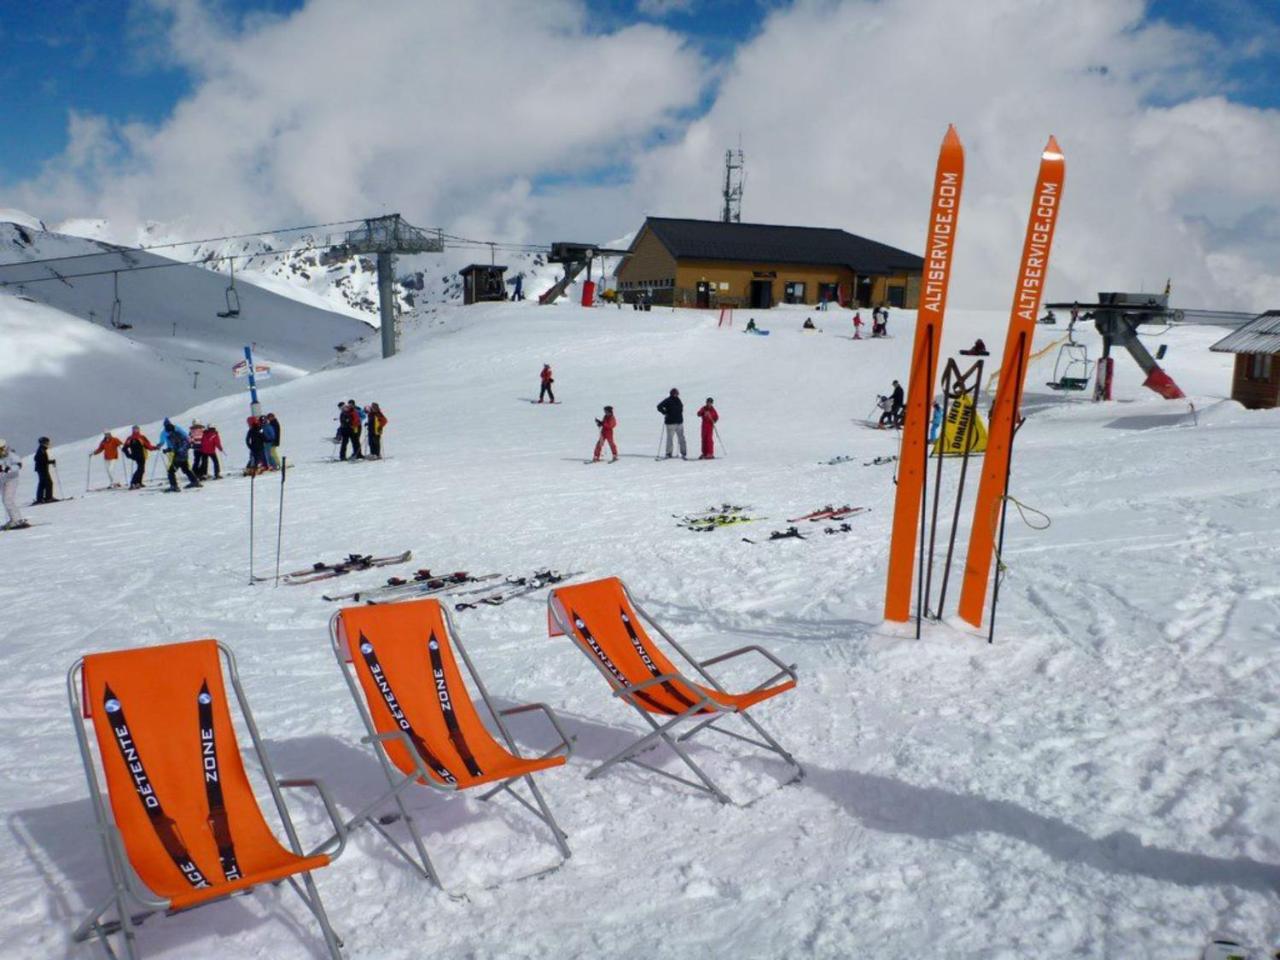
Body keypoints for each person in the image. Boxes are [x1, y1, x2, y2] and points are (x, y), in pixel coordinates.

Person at [159, 418, 201, 491]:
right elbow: (185, 443)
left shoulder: (172, 436)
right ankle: (195, 481)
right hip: (184, 455)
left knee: (171, 471)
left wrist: (168, 449)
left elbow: (176, 446)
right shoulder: (178, 433)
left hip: (178, 456)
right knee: (186, 468)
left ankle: (174, 486)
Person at [0, 439, 26, 529]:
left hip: (12, 479)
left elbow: (19, 465)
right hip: (2, 481)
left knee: (8, 500)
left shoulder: (11, 455)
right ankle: (14, 519)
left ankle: (17, 520)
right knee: (5, 501)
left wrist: (9, 468)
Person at [657, 388, 687, 459]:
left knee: (682, 438)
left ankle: (683, 452)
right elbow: (659, 406)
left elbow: (681, 408)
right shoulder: (668, 400)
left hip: (679, 422)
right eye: (675, 393)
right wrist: (665, 412)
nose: (676, 394)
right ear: (672, 393)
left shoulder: (678, 400)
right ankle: (668, 453)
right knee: (670, 439)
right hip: (670, 423)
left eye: (677, 393)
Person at [33, 436, 56, 503]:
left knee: (43, 483)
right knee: (48, 483)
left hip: (42, 469)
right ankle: (48, 498)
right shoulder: (41, 450)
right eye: (46, 442)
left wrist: (49, 462)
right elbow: (37, 459)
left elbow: (40, 459)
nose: (48, 444)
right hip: (42, 469)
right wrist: (50, 462)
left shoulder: (42, 449)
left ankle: (40, 498)